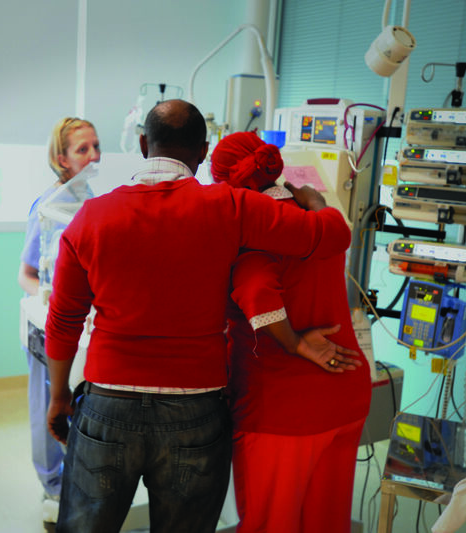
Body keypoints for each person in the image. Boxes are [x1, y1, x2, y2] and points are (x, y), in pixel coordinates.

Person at [43, 99, 358, 533]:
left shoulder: (91, 218)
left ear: (141, 143)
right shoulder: (230, 207)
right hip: (195, 410)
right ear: (204, 150)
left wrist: (59, 395)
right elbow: (332, 235)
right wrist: (313, 199)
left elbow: (63, 320)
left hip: (108, 405)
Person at [211, 131, 372, 532]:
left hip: (283, 408)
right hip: (344, 394)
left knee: (273, 524)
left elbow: (257, 293)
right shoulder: (320, 217)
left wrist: (296, 342)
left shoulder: (254, 228)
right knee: (326, 521)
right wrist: (317, 201)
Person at [16, 117, 100, 523]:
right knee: (47, 407)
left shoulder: (99, 203)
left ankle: (80, 487)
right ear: (61, 158)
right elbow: (27, 275)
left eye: (96, 147)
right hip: (50, 321)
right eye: (83, 149)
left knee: (81, 408)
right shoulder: (48, 208)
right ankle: (52, 488)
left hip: (87, 325)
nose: (94, 156)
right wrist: (54, 301)